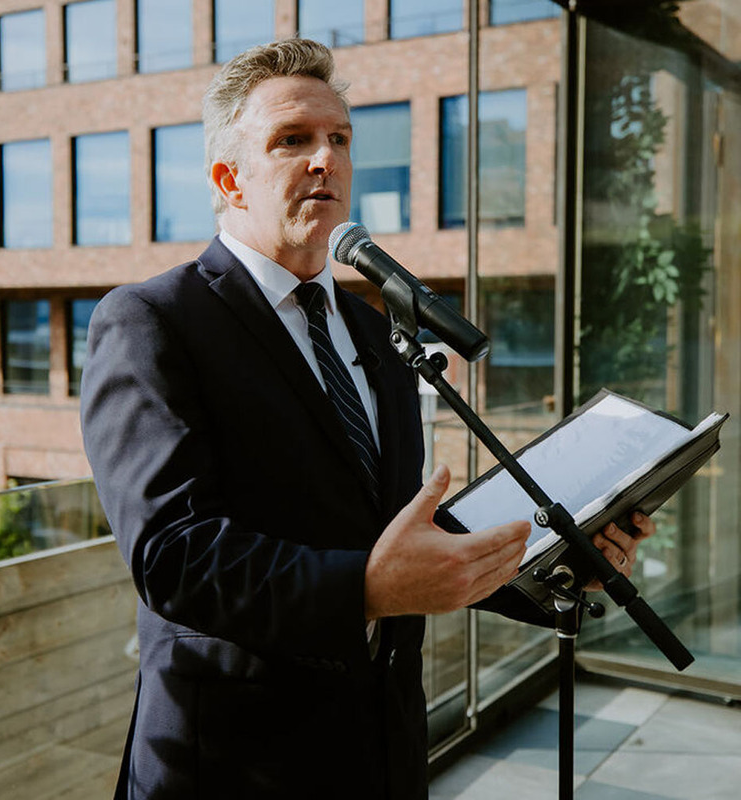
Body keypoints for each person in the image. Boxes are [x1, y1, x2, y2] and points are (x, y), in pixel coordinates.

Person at [80, 38, 653, 800]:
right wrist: (366, 589)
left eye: (340, 140)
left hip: (382, 754)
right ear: (230, 179)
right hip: (234, 765)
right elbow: (173, 556)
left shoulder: (376, 334)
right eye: (294, 140)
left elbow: (394, 541)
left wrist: (561, 561)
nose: (327, 159)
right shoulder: (153, 321)